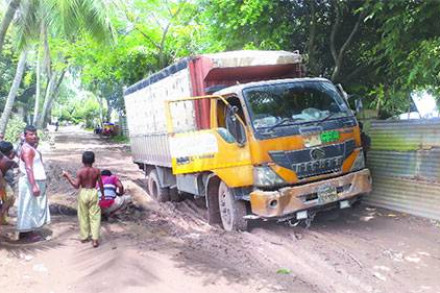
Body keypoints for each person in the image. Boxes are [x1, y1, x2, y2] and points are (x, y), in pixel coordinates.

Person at [62, 151, 104, 248]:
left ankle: (85, 237)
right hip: (93, 192)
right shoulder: (97, 171)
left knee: (83, 215)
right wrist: (103, 195)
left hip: (84, 193)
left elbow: (76, 186)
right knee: (95, 217)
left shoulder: (80, 172)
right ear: (93, 160)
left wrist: (67, 176)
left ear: (82, 161)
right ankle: (95, 239)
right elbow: (100, 184)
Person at [16, 125, 50, 241]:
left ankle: (26, 232)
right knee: (28, 206)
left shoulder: (32, 148)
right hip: (30, 182)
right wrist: (34, 185)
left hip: (35, 181)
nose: (34, 136)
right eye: (31, 134)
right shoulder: (27, 149)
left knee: (32, 206)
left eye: (35, 134)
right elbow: (28, 168)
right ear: (25, 136)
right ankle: (27, 233)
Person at [0, 141, 18, 225]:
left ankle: (3, 216)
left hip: (3, 181)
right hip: (4, 180)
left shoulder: (7, 162)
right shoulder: (7, 162)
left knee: (9, 197)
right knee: (9, 196)